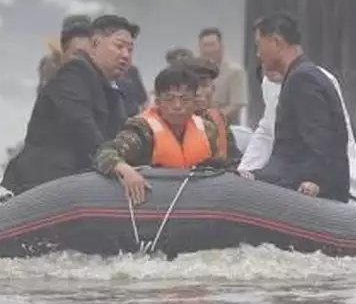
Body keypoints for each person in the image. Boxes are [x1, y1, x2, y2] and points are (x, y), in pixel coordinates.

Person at [1, 14, 139, 195]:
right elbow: (81, 126)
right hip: (46, 182)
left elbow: (123, 133)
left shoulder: (113, 89)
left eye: (130, 50)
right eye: (119, 46)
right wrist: (115, 163)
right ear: (95, 44)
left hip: (86, 181)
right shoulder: (73, 75)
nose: (125, 55)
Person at [94, 66, 245, 205]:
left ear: (195, 102)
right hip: (154, 204)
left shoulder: (208, 129)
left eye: (185, 99)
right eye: (169, 99)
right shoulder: (143, 129)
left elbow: (233, 162)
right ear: (158, 102)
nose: (177, 106)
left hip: (199, 203)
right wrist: (126, 171)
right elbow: (105, 153)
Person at [248, 12, 351, 202]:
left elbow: (321, 136)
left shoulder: (303, 79)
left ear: (276, 42)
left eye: (259, 46)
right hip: (288, 177)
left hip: (310, 188)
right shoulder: (301, 75)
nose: (258, 54)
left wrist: (316, 179)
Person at [181, 56, 240, 163]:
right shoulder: (172, 121)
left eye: (204, 86)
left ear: (213, 89)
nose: (198, 92)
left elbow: (234, 157)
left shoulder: (219, 119)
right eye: (192, 86)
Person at [237, 64, 283, 172]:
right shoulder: (268, 82)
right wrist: (246, 168)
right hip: (280, 164)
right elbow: (266, 130)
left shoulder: (317, 80)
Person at [198, 27, 248, 123]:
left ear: (221, 47)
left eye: (212, 45)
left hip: (227, 127)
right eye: (205, 45)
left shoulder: (235, 71)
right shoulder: (192, 72)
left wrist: (212, 119)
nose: (209, 50)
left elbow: (236, 105)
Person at [38, 14, 93, 89]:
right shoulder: (51, 63)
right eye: (73, 36)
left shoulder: (97, 62)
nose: (78, 42)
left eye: (83, 35)